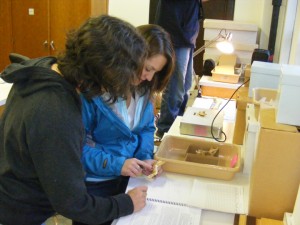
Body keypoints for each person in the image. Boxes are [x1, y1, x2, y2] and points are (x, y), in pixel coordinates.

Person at [0, 15, 150, 225]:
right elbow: (73, 203)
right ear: (105, 73)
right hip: (20, 213)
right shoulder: (56, 112)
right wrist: (126, 203)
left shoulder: (43, 70)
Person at [73, 24, 175, 225]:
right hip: (96, 186)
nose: (149, 77)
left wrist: (145, 159)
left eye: (156, 72)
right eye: (147, 68)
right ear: (131, 56)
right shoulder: (95, 91)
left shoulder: (144, 91)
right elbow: (76, 148)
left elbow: (146, 128)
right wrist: (119, 164)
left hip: (128, 182)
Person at [155, 0, 204, 138]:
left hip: (188, 34)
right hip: (175, 33)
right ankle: (166, 130)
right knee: (176, 88)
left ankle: (177, 126)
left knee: (186, 87)